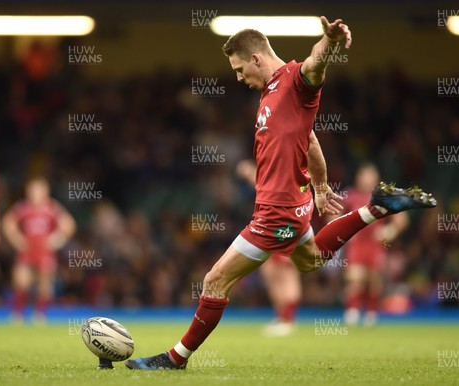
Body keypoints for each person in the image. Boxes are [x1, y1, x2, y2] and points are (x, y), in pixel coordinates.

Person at [126, 16, 436, 370]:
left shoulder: (294, 81)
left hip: (278, 211)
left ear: (257, 58)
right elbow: (311, 138)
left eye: (241, 70)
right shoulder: (270, 93)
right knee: (311, 259)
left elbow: (315, 62)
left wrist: (330, 42)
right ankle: (375, 210)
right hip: (298, 203)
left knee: (215, 280)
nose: (239, 78)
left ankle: (175, 359)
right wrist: (320, 187)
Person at [237, 159, 300, 336]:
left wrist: (250, 172)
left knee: (287, 274)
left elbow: (263, 186)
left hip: (286, 228)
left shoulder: (289, 176)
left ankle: (289, 320)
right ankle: (281, 317)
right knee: (271, 274)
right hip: (269, 228)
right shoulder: (271, 174)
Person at [341, 163, 408, 326]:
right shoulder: (350, 195)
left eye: (370, 176)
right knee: (355, 278)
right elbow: (334, 213)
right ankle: (353, 311)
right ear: (358, 178)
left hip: (375, 244)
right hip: (357, 244)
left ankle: (371, 313)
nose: (366, 179)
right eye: (363, 175)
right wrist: (342, 233)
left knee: (373, 280)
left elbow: (401, 219)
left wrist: (389, 231)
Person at [2, 177, 76, 322]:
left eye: (38, 190)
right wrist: (16, 239)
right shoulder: (23, 207)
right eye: (33, 190)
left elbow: (69, 224)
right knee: (21, 281)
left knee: (44, 283)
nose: (35, 194)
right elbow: (8, 222)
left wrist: (57, 239)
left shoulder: (52, 208)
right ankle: (17, 313)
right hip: (27, 250)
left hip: (44, 251)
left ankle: (40, 314)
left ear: (45, 192)